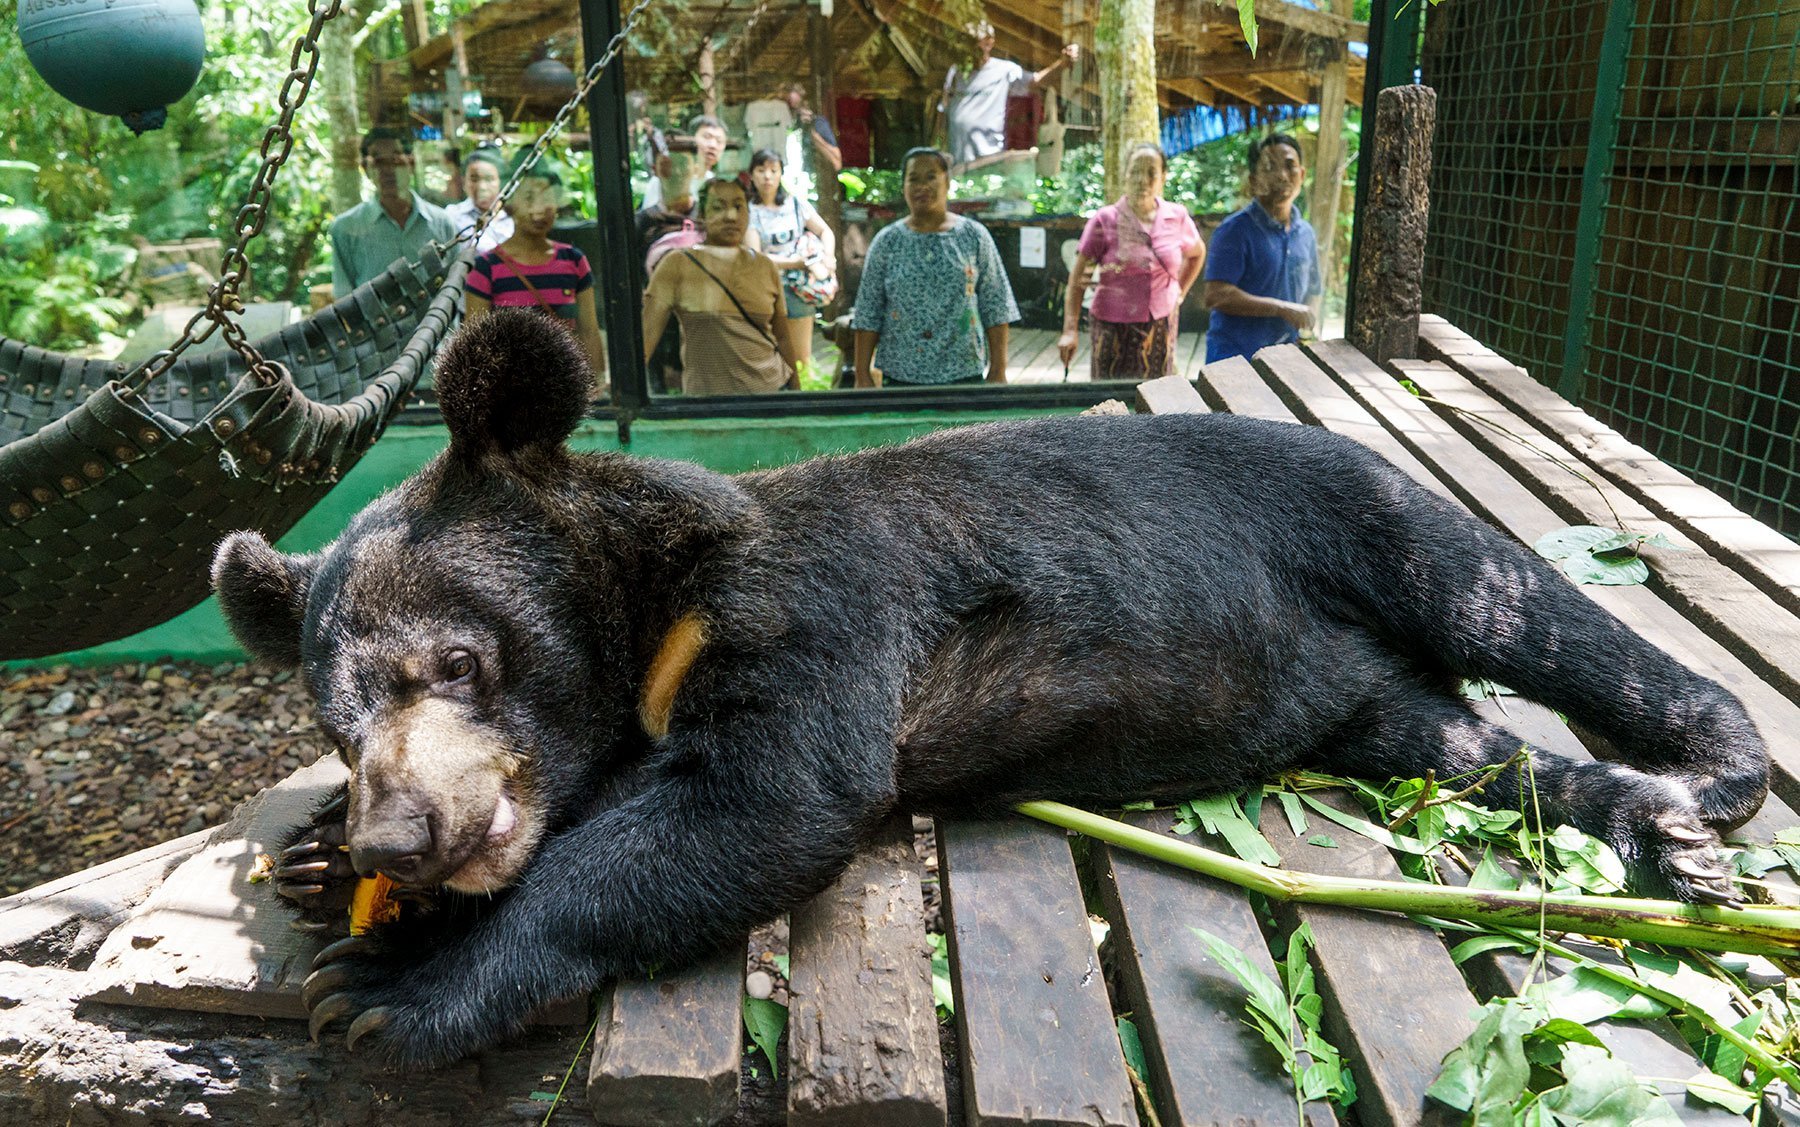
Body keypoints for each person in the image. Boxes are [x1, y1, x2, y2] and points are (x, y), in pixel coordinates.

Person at [852, 148, 1018, 387]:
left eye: (931, 177)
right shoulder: (887, 241)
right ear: (903, 186)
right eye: (913, 179)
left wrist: (998, 371)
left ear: (947, 182)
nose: (922, 186)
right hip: (901, 374)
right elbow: (868, 311)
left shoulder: (973, 236)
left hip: (964, 370)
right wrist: (862, 375)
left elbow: (996, 305)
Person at [1058, 143, 1204, 381]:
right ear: (1125, 175)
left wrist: (1180, 292)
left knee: (1156, 402)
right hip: (1111, 327)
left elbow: (1197, 254)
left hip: (1161, 324)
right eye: (1135, 171)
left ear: (1163, 178)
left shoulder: (1177, 217)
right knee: (1109, 404)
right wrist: (1070, 330)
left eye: (1151, 173)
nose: (1142, 180)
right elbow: (1077, 281)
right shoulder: (1104, 220)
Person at [642, 176, 796, 396]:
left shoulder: (765, 267)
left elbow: (783, 338)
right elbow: (646, 339)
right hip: (707, 406)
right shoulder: (676, 264)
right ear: (703, 215)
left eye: (738, 207)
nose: (731, 216)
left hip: (770, 397)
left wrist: (797, 396)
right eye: (718, 207)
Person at [462, 160, 606, 390]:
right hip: (510, 390)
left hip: (564, 388)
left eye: (547, 199)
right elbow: (476, 341)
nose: (540, 208)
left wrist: (596, 384)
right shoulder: (486, 267)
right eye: (529, 199)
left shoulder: (574, 261)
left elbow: (589, 331)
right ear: (511, 205)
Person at [1202, 133, 1322, 363]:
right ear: (1254, 180)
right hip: (1234, 361)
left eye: (1290, 167)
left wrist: (1306, 327)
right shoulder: (1233, 231)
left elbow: (1313, 292)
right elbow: (1216, 295)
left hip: (1286, 361)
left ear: (1303, 175)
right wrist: (1283, 309)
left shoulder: (1305, 233)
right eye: (1270, 168)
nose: (1282, 176)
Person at [328, 127, 458, 297]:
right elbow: (343, 299)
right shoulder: (346, 228)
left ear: (411, 163)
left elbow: (457, 287)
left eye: (396, 161)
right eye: (379, 162)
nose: (388, 170)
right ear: (366, 169)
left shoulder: (442, 222)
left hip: (438, 323)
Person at [937, 21, 1078, 169]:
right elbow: (943, 111)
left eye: (974, 42)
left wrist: (1063, 63)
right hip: (957, 160)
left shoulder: (1004, 70)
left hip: (989, 158)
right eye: (965, 41)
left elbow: (1035, 81)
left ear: (989, 43)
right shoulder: (956, 72)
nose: (969, 48)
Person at [744, 148, 836, 373]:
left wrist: (828, 256)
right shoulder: (749, 211)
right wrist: (795, 263)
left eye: (773, 170)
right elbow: (756, 257)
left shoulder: (795, 204)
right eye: (761, 170)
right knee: (771, 353)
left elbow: (825, 231)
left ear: (781, 174)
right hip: (767, 289)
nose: (767, 176)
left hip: (799, 288)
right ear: (752, 174)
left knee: (801, 356)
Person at [640, 114, 728, 211]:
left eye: (719, 141)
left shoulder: (715, 184)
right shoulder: (666, 180)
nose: (713, 145)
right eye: (707, 137)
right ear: (691, 138)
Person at [445, 148, 514, 254]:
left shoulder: (514, 216)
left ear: (500, 181)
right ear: (464, 182)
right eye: (474, 179)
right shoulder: (452, 216)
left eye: (489, 179)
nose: (482, 187)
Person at [782, 82, 841, 201]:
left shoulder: (819, 123)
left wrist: (815, 137)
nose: (788, 96)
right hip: (796, 180)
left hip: (815, 184)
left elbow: (837, 160)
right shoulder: (793, 125)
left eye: (793, 92)